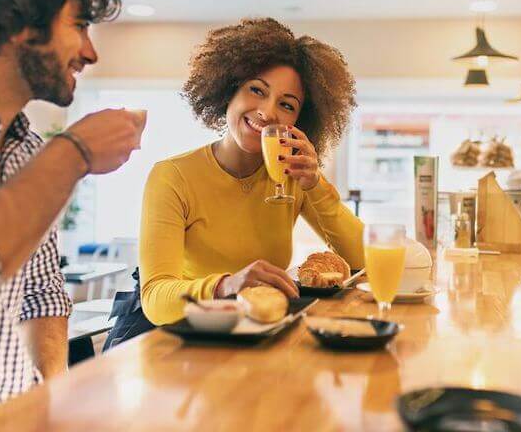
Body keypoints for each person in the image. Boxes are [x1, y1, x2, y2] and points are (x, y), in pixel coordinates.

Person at [0, 0, 145, 423]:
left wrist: (48, 398)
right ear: (21, 22)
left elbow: (42, 291)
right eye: (79, 26)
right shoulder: (51, 158)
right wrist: (73, 154)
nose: (90, 52)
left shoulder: (27, 150)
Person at [104, 18, 363, 345]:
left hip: (247, 335)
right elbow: (155, 298)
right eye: (257, 90)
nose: (268, 112)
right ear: (229, 90)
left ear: (300, 120)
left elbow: (363, 260)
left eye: (286, 105)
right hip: (169, 334)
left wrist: (316, 187)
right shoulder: (173, 176)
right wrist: (226, 285)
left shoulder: (294, 178)